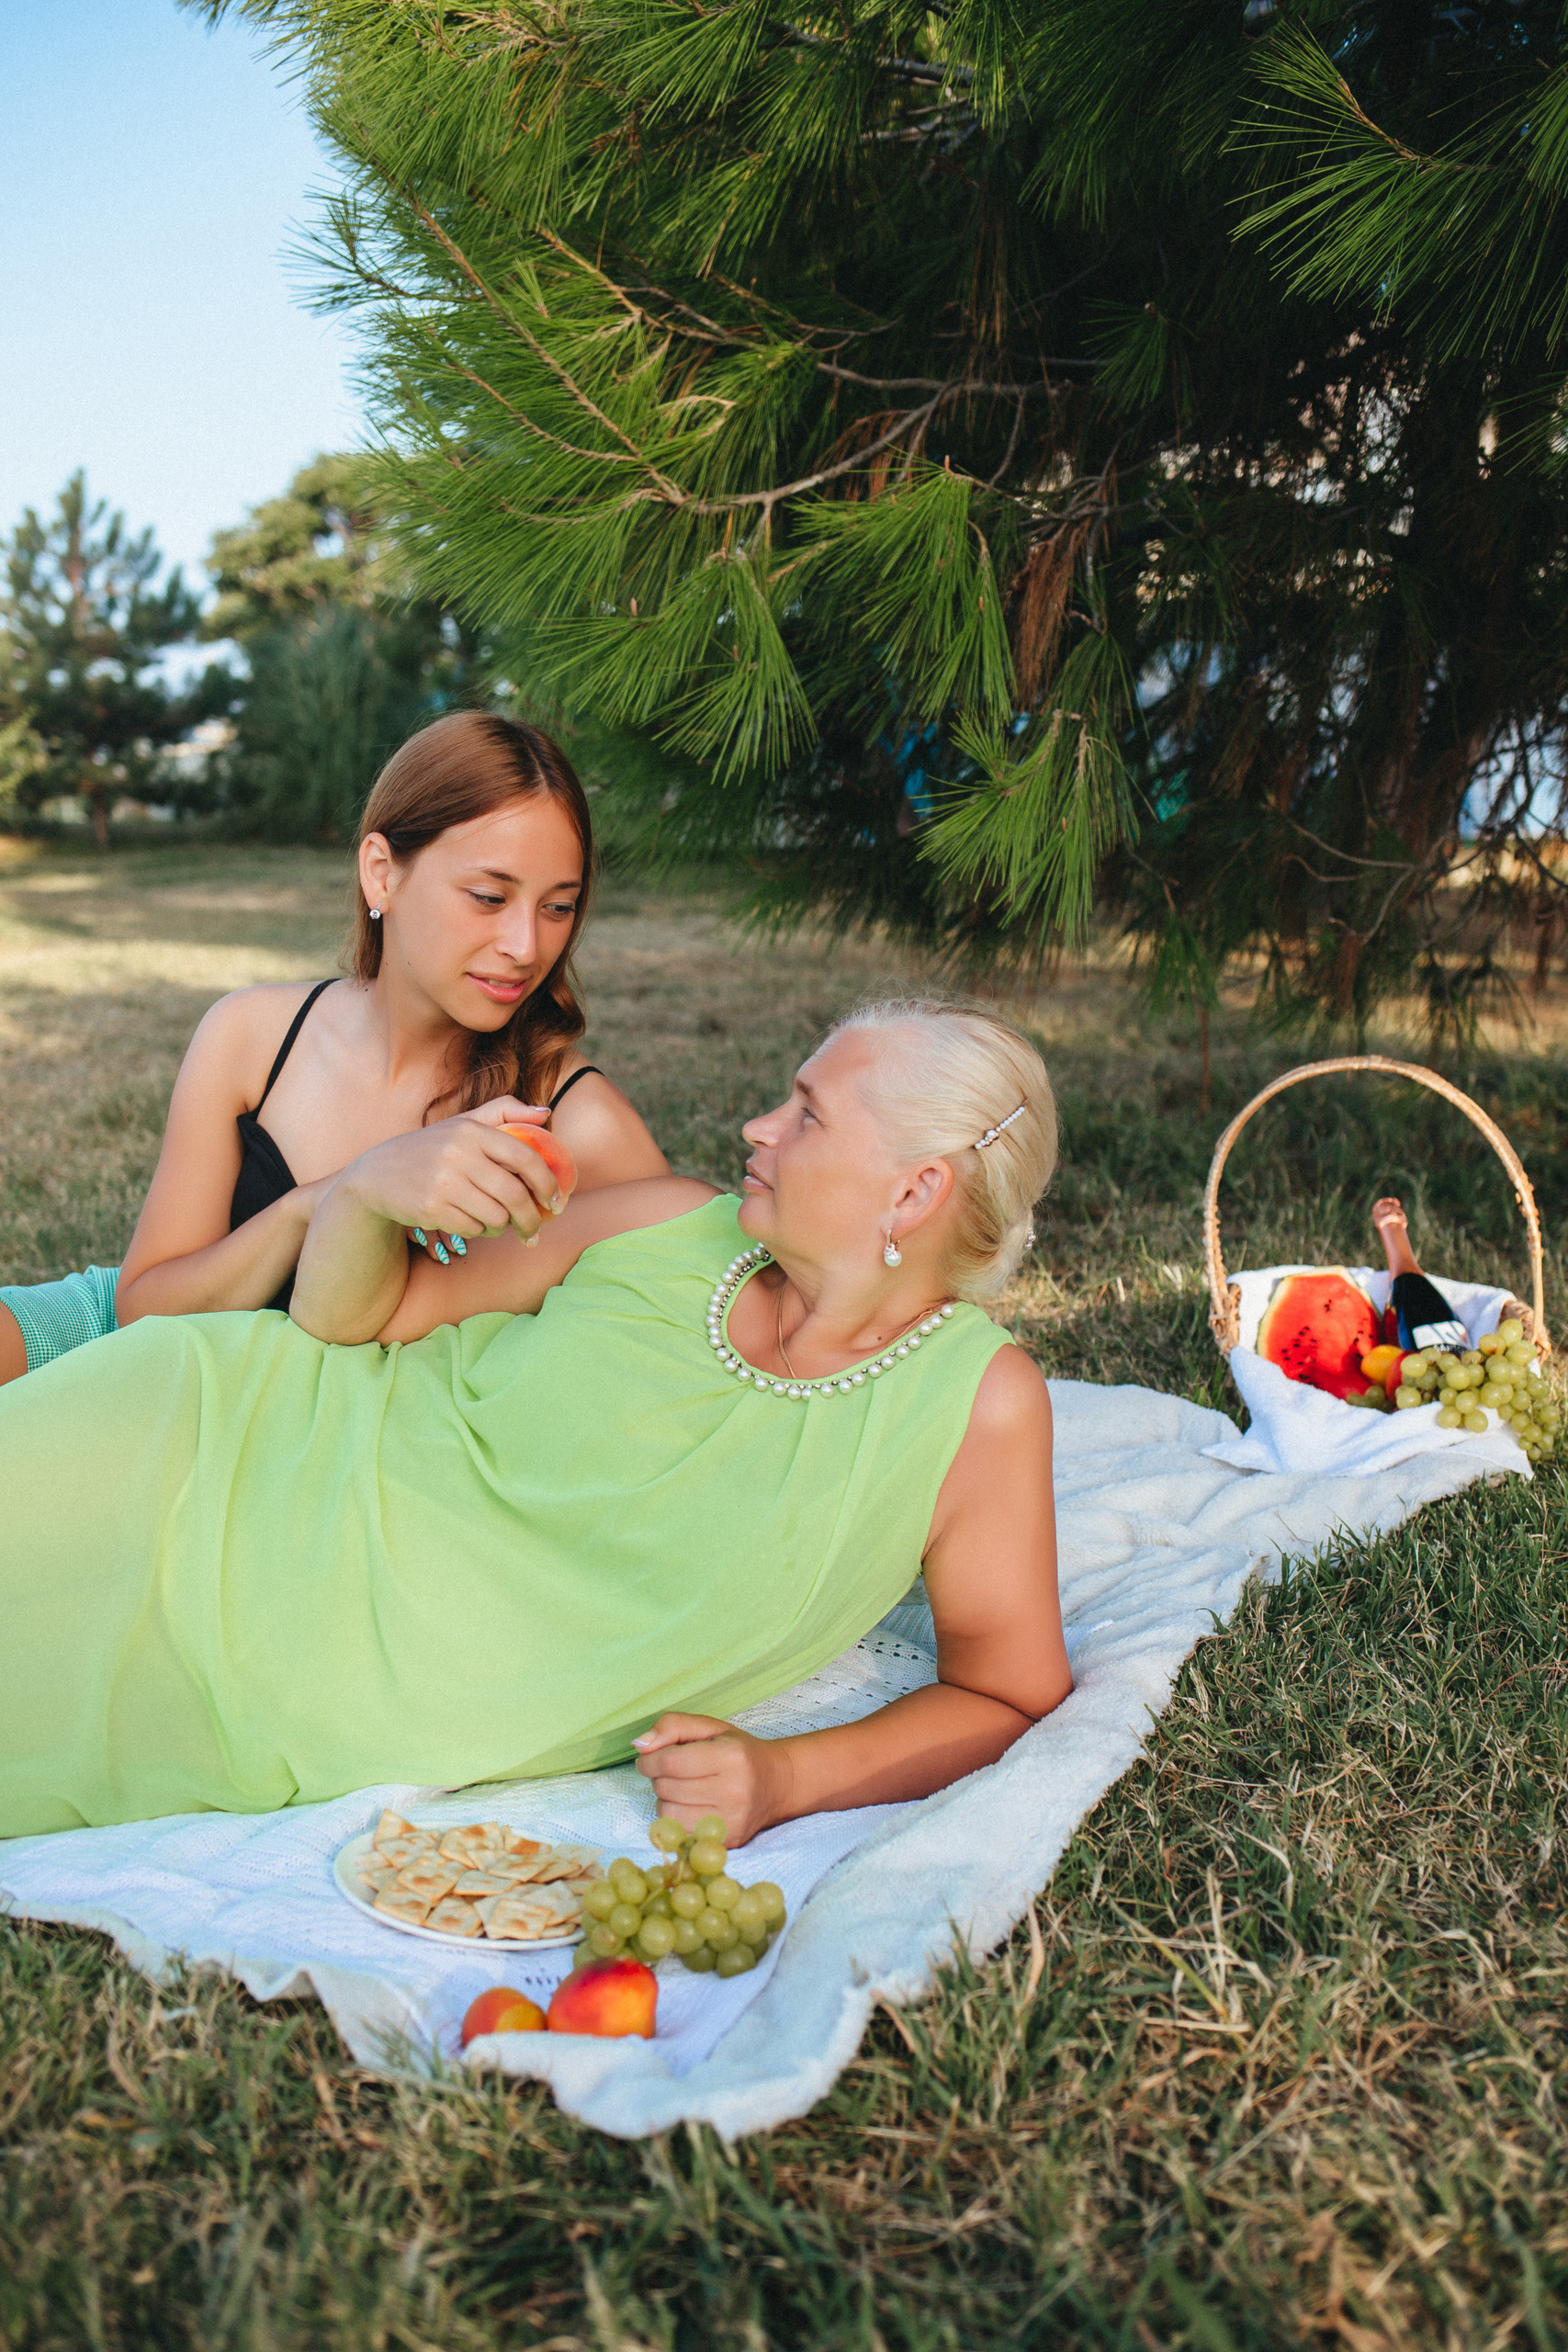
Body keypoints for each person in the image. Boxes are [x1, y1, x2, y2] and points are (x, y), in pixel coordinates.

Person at [0, 1000, 1071, 1845]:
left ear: (916, 1190)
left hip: (306, 1670)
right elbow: (360, 1320)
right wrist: (367, 1198)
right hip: (218, 1434)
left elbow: (1006, 1691)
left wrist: (785, 1776)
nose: (760, 1125)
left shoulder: (977, 1407)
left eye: (808, 1113)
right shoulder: (667, 1221)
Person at [0, 710, 667, 1385]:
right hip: (145, 1347)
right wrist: (323, 1202)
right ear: (381, 873)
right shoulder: (250, 1035)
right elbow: (141, 1311)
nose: (526, 946)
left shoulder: (582, 1124)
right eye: (489, 896)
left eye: (558, 908)